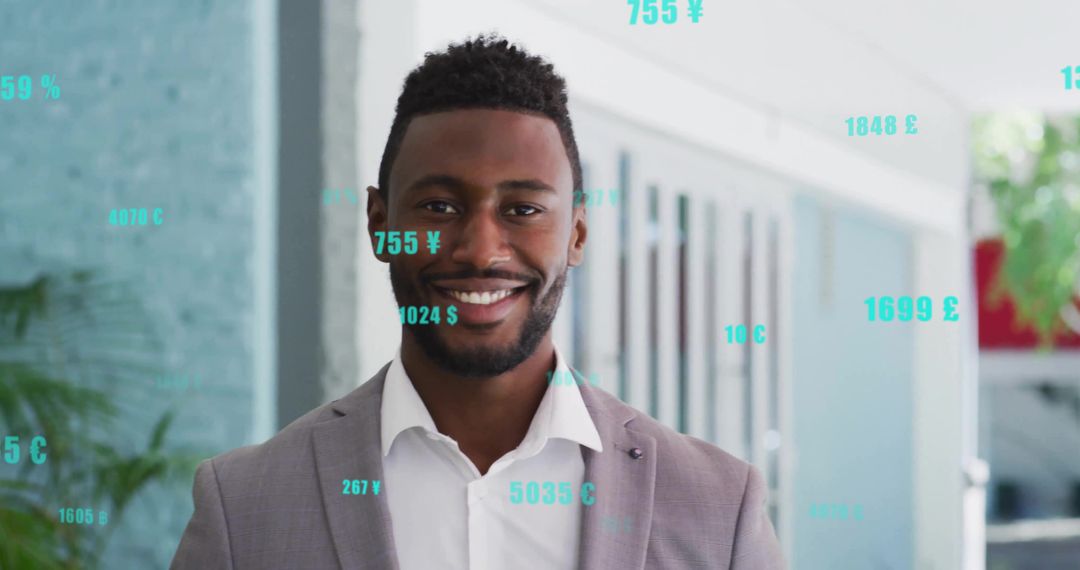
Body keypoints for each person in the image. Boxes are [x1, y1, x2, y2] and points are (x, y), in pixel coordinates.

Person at [171, 33, 785, 570]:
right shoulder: (246, 504)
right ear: (379, 224)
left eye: (522, 209)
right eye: (439, 207)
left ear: (576, 234)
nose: (480, 250)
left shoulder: (718, 507)